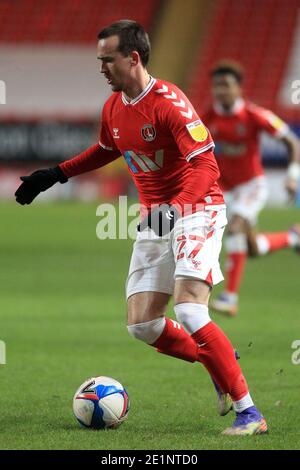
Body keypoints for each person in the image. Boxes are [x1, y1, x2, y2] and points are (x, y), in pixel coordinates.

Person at [15, 21, 267, 435]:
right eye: (99, 60)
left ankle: (250, 414)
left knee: (188, 309)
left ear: (132, 58)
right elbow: (106, 149)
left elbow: (207, 165)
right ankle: (219, 360)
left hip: (197, 208)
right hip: (157, 217)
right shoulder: (114, 106)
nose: (101, 68)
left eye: (107, 60)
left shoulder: (170, 103)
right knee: (142, 324)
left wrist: (178, 207)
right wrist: (57, 174)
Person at [202, 62, 300, 317]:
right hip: (223, 188)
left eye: (227, 85)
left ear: (238, 89)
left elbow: (292, 141)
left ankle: (229, 299)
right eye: (217, 86)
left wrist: (292, 177)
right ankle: (293, 237)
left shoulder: (254, 115)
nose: (221, 91)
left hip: (251, 186)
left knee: (234, 228)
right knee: (251, 247)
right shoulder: (207, 118)